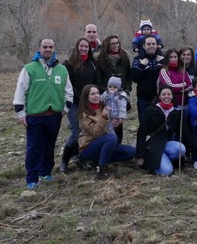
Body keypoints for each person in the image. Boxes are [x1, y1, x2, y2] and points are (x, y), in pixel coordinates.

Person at [13, 38, 73, 190]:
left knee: (49, 145)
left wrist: (65, 109)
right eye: (45, 47)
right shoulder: (29, 69)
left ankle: (45, 172)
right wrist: (21, 113)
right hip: (35, 116)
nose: (48, 49)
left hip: (54, 116)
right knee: (34, 147)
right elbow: (20, 91)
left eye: (50, 47)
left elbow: (68, 91)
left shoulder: (62, 70)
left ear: (54, 48)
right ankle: (32, 178)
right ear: (39, 48)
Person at [142, 86, 197, 176]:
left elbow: (187, 131)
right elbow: (141, 132)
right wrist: (139, 155)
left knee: (181, 148)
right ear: (159, 96)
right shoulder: (150, 110)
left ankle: (163, 161)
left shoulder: (175, 113)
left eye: (168, 94)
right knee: (167, 171)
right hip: (153, 146)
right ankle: (151, 163)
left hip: (165, 144)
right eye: (164, 94)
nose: (166, 96)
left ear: (172, 96)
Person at [59, 37, 102, 173]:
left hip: (90, 102)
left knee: (88, 132)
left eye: (86, 47)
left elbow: (97, 80)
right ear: (77, 47)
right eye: (81, 46)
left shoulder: (92, 63)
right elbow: (68, 84)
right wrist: (82, 98)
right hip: (75, 103)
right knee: (76, 132)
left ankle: (81, 158)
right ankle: (65, 160)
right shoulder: (68, 63)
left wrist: (94, 95)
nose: (83, 49)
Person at [77, 84, 136, 180]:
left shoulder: (103, 106)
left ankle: (99, 161)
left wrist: (115, 123)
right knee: (112, 138)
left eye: (97, 93)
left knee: (132, 152)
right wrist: (104, 117)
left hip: (106, 144)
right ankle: (101, 170)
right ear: (86, 97)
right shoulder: (84, 114)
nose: (96, 96)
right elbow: (96, 132)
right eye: (92, 94)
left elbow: (109, 127)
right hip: (89, 147)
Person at [131, 35, 165, 164]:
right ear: (144, 46)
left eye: (153, 44)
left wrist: (161, 63)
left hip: (160, 98)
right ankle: (140, 154)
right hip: (143, 99)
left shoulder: (162, 58)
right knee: (143, 126)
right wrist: (142, 65)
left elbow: (168, 74)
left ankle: (158, 150)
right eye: (149, 44)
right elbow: (134, 77)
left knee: (160, 125)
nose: (151, 46)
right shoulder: (137, 59)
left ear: (157, 45)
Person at [97, 35, 132, 143]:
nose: (116, 45)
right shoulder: (100, 59)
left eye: (117, 43)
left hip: (121, 96)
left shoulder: (124, 58)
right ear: (107, 45)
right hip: (107, 97)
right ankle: (106, 146)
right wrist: (107, 91)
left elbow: (129, 77)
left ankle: (118, 146)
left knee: (118, 124)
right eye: (113, 43)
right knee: (106, 124)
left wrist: (127, 90)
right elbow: (98, 79)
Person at [158, 49, 194, 120]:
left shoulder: (182, 70)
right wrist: (183, 84)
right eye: (171, 57)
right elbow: (169, 86)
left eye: (175, 57)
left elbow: (191, 85)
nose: (173, 59)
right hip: (173, 105)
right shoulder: (164, 71)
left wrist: (185, 88)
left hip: (186, 104)